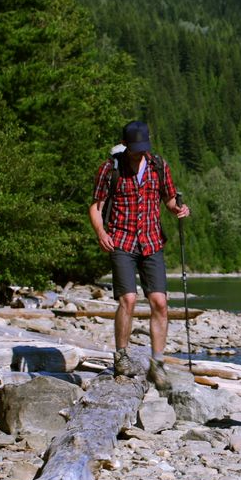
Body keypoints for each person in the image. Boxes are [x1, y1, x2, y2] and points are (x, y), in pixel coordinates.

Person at [89, 121, 190, 377]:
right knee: (129, 299)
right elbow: (96, 207)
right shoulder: (110, 169)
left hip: (152, 240)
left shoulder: (158, 166)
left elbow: (168, 198)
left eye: (143, 148)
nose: (140, 153)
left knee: (160, 302)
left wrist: (178, 208)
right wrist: (101, 233)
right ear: (125, 145)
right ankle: (121, 356)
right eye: (135, 149)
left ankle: (157, 363)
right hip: (121, 240)